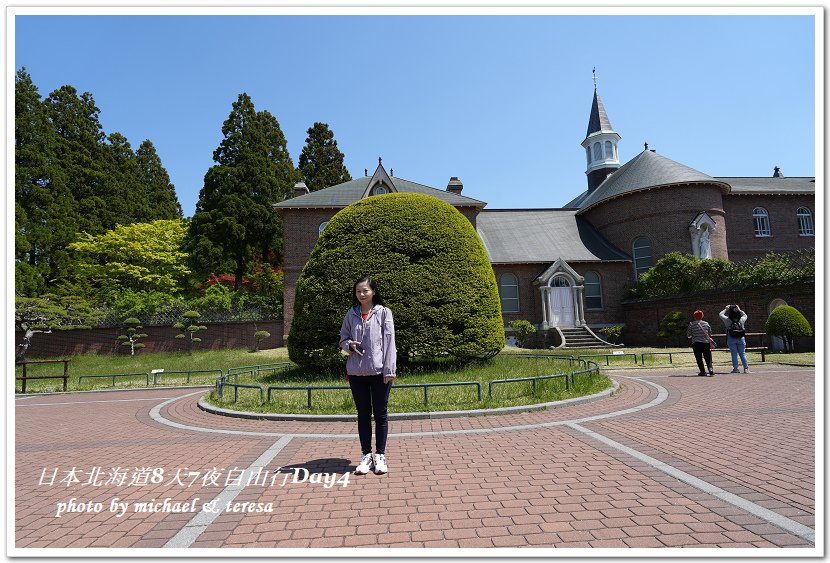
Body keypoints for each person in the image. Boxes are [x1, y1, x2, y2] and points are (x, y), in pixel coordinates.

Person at [339, 276, 396, 475]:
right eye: (358, 291)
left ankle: (380, 455)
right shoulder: (351, 314)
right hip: (356, 373)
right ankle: (366, 456)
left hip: (380, 372)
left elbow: (390, 343)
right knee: (363, 415)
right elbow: (343, 339)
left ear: (373, 292)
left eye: (365, 291)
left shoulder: (383, 313)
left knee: (380, 414)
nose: (361, 294)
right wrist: (349, 345)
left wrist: (389, 370)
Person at [720, 304, 750, 374]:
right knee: (742, 353)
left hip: (731, 337)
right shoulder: (741, 319)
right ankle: (746, 368)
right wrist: (739, 310)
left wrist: (726, 309)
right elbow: (745, 315)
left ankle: (736, 368)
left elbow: (720, 314)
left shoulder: (727, 320)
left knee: (734, 354)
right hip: (741, 337)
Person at [686, 310, 715, 377]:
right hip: (706, 342)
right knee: (708, 357)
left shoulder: (691, 324)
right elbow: (710, 333)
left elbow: (688, 335)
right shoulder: (706, 323)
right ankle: (710, 370)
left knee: (699, 358)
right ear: (702, 316)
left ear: (694, 316)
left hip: (696, 343)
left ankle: (703, 371)